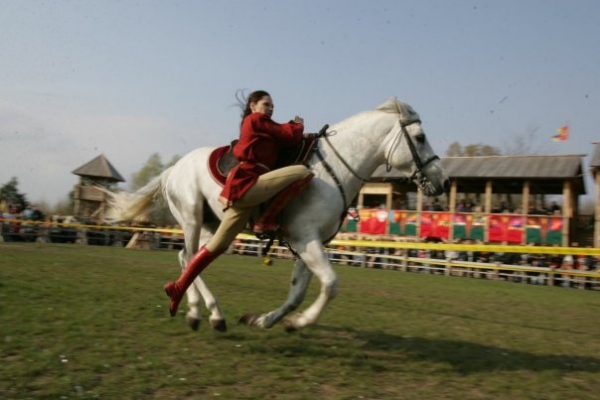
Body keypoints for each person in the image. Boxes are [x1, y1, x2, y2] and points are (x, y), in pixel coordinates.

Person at [164, 90, 314, 316]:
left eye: (272, 105)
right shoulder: (256, 120)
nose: (271, 108)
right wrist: (297, 125)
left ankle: (178, 287)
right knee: (303, 172)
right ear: (253, 106)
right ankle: (265, 220)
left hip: (242, 193)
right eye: (266, 104)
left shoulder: (259, 124)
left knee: (216, 246)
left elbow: (279, 138)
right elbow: (286, 134)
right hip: (250, 184)